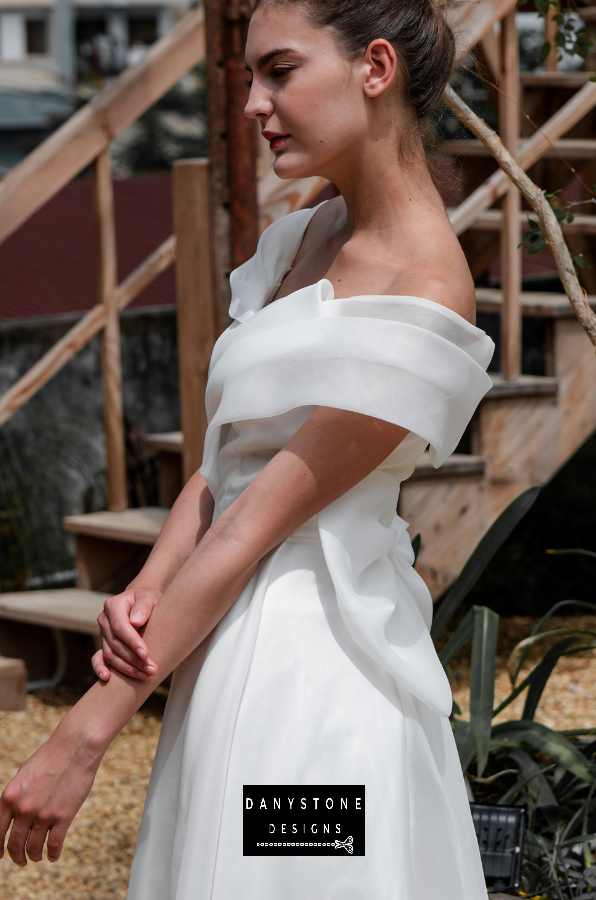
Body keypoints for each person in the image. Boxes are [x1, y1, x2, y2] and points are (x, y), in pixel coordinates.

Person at [0, 0, 496, 897]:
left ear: (374, 68)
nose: (253, 106)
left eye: (280, 72)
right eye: (248, 80)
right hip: (219, 642)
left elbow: (252, 525)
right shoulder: (305, 234)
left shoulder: (428, 293)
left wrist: (82, 737)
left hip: (315, 673)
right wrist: (145, 591)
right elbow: (225, 463)